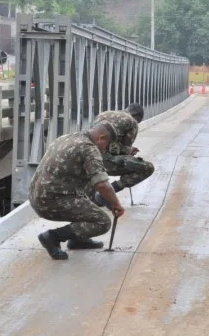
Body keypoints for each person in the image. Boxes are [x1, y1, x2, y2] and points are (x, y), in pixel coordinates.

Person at [29, 123, 126, 260]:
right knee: (102, 221)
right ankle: (52, 237)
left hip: (37, 196)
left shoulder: (66, 137)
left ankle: (79, 239)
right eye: (107, 145)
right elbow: (102, 185)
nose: (106, 150)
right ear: (101, 138)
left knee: (89, 185)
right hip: (50, 201)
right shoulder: (89, 148)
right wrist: (116, 204)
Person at [92, 104, 154, 203]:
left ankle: (93, 194)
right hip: (104, 163)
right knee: (148, 168)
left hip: (88, 161)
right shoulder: (131, 122)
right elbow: (124, 153)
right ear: (137, 116)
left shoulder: (103, 114)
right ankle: (109, 191)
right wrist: (129, 151)